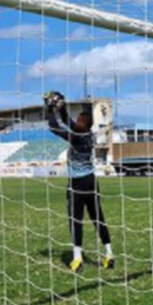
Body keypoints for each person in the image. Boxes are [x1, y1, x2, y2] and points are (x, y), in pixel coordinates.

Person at [45, 91, 113, 273]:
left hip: (77, 184)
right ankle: (109, 254)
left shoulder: (75, 137)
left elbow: (53, 126)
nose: (76, 121)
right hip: (92, 181)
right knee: (98, 218)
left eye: (79, 119)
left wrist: (49, 108)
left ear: (82, 123)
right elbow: (68, 122)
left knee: (76, 220)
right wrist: (62, 106)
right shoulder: (89, 136)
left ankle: (77, 259)